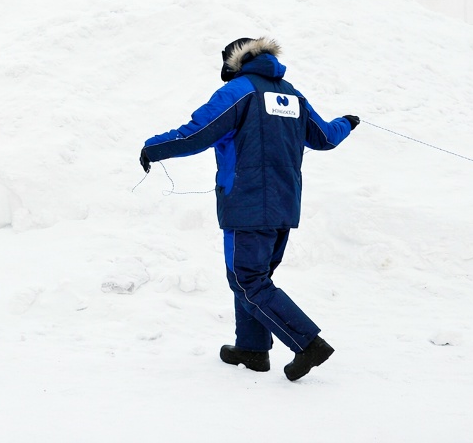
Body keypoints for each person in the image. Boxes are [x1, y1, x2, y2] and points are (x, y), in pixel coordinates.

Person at [140, 36, 358, 381]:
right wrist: (346, 122)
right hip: (284, 205)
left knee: (247, 280)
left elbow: (197, 133)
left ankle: (308, 344)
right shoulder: (292, 95)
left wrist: (152, 148)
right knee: (255, 279)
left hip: (248, 202)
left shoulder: (238, 92)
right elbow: (325, 137)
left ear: (233, 62)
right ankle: (252, 349)